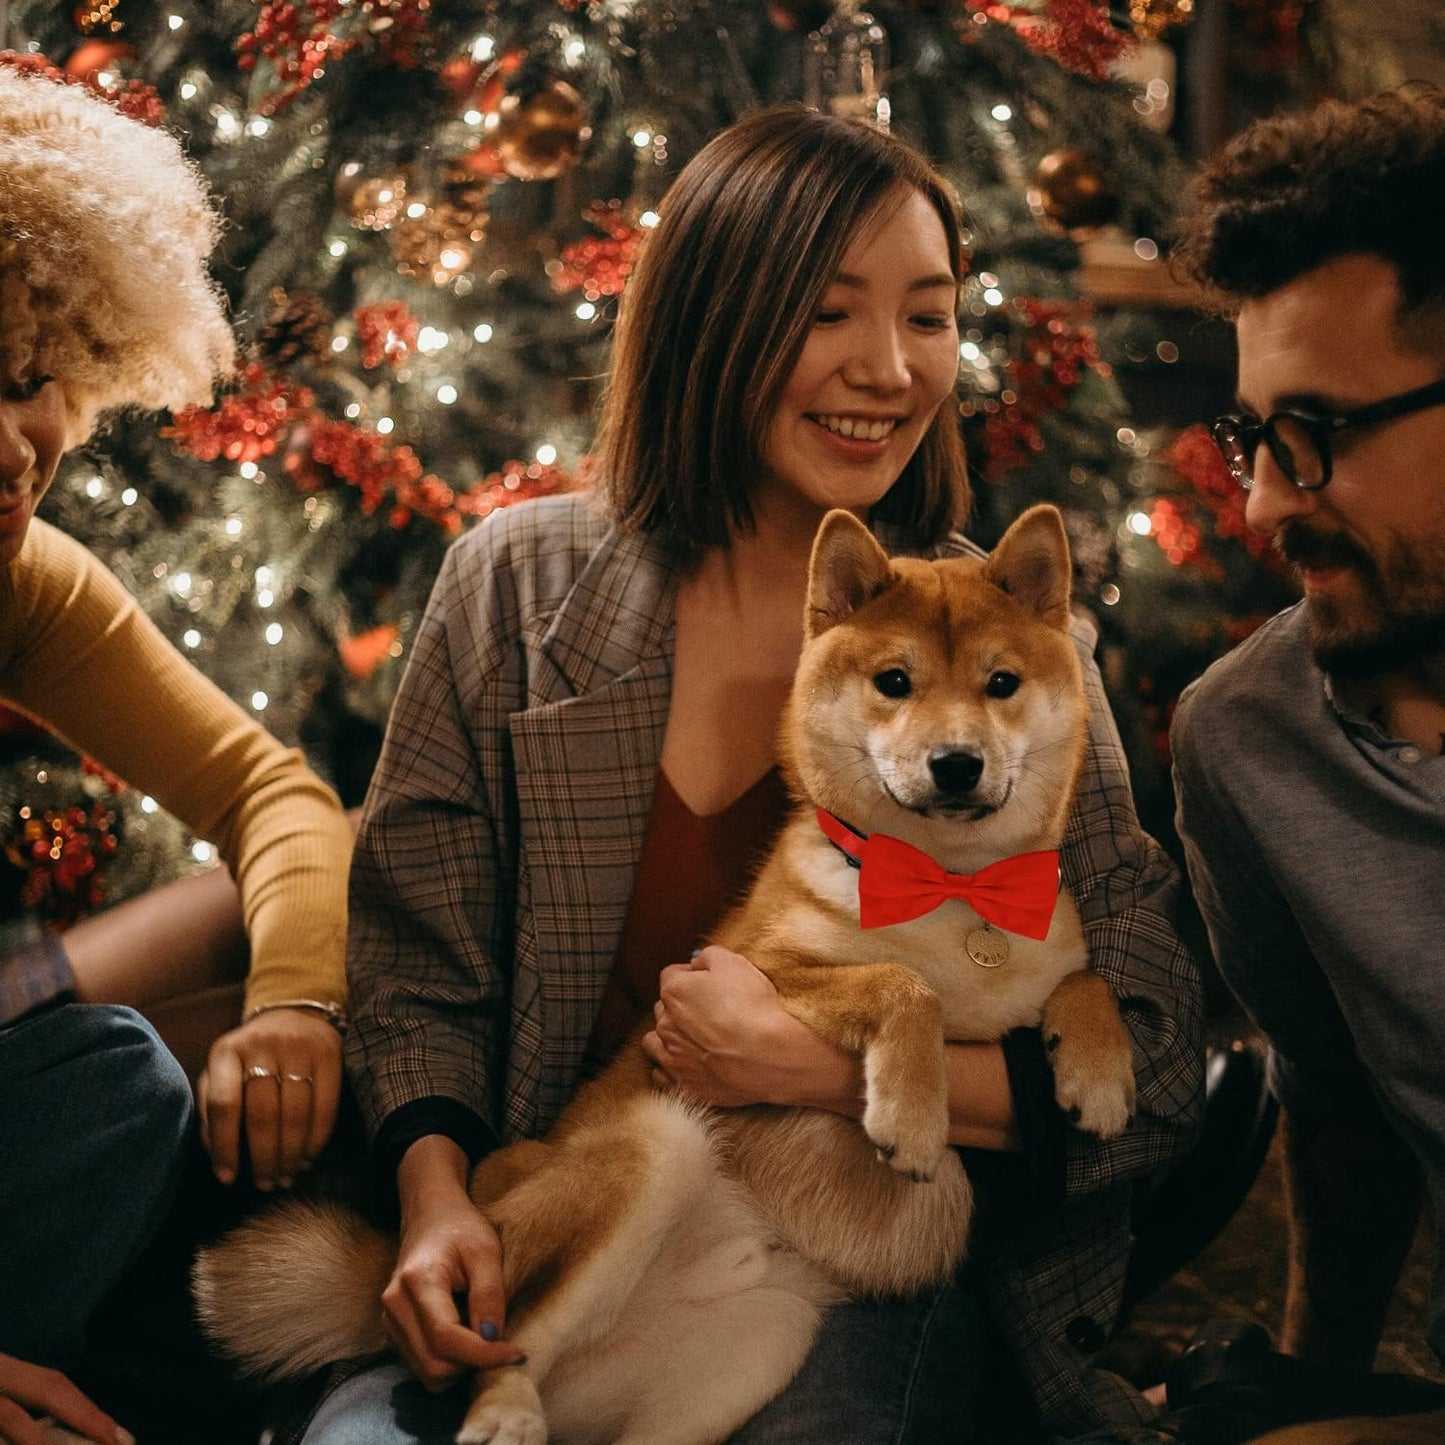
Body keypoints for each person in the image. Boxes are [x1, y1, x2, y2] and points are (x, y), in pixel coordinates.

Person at [303, 105, 1202, 1445]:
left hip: (863, 1262)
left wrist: (826, 1071)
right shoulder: (517, 588)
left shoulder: (1015, 655)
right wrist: (439, 1204)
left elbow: (1161, 1057)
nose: (887, 367)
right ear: (713, 319)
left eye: (929, 315)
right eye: (827, 312)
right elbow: (415, 981)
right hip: (586, 1223)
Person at [0, 67, 353, 1445]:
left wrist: (298, 1009)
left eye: (30, 380)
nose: (16, 446)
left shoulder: (28, 586)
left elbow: (273, 794)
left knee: (128, 1083)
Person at [1168, 87, 1445, 1441]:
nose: (1264, 502)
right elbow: (1334, 1106)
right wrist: (1310, 1391)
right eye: (1249, 440)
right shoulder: (1246, 739)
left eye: (1314, 434)